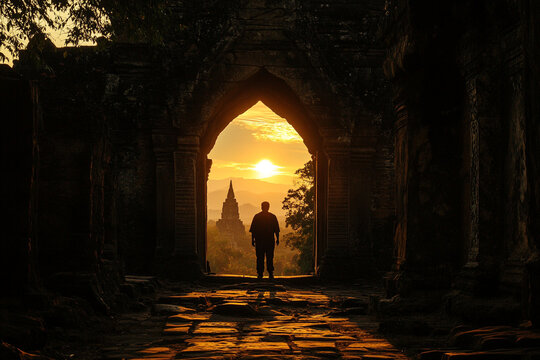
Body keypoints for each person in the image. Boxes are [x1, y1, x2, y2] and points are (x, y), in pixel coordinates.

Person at [249, 201, 280, 279]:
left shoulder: (257, 217)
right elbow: (276, 230)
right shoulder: (272, 217)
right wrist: (277, 239)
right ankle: (269, 273)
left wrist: (252, 240)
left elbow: (253, 230)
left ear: (261, 207)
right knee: (268, 257)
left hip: (260, 241)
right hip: (268, 240)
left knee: (261, 257)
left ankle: (261, 273)